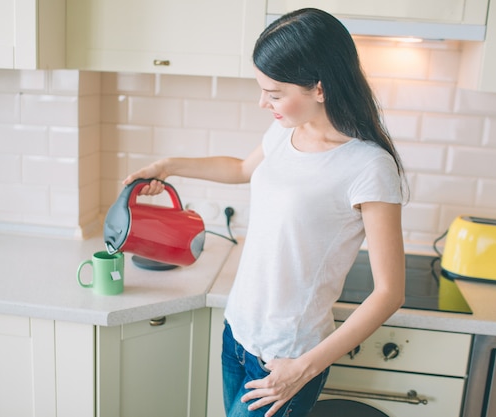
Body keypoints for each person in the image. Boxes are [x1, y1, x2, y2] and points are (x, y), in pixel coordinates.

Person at [123, 8, 407, 417]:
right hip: (237, 334)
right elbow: (240, 168)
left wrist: (302, 370)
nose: (263, 102)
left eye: (274, 93)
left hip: (285, 359)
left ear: (320, 89)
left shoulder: (368, 166)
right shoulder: (287, 129)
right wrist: (168, 165)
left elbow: (389, 293)